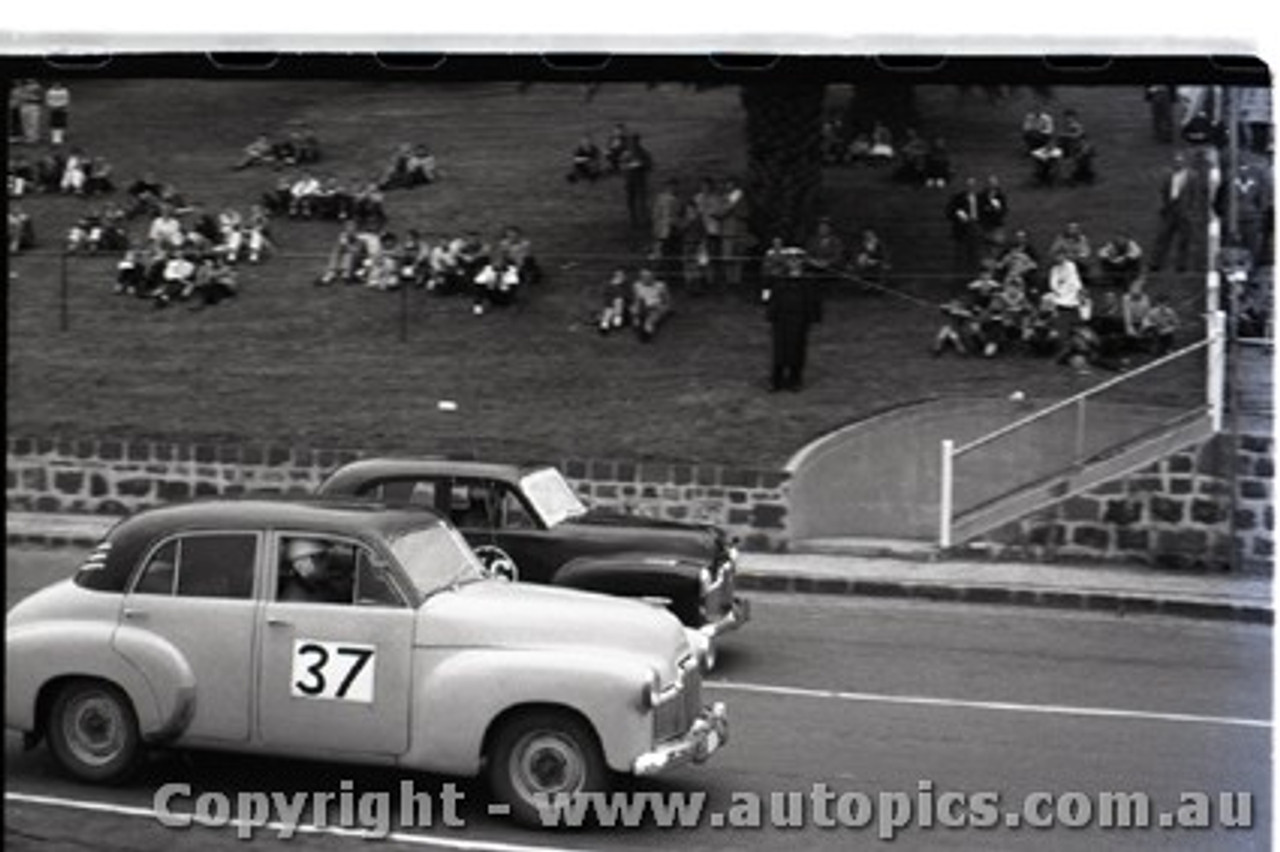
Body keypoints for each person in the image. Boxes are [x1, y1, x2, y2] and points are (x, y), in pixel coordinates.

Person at [767, 248, 821, 390]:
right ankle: (776, 381)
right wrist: (771, 315)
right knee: (779, 350)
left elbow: (814, 299)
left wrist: (813, 317)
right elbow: (772, 297)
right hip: (781, 318)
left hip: (799, 319)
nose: (794, 263)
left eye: (797, 259)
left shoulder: (808, 280)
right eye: (790, 260)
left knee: (797, 350)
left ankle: (795, 380)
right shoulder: (779, 278)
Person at [1150, 153, 1197, 273]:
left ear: (1185, 163)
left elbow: (1195, 195)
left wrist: (1191, 210)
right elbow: (1162, 191)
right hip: (1170, 209)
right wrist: (1162, 206)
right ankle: (1156, 263)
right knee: (1162, 237)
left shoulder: (1192, 176)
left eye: (1180, 161)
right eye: (1176, 161)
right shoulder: (1167, 174)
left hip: (1184, 211)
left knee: (1184, 239)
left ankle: (1181, 265)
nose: (1178, 164)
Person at [278, 539, 351, 604]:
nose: (327, 562)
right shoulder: (296, 599)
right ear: (302, 564)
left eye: (326, 556)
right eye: (321, 557)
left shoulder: (315, 585)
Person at [718, 177, 750, 291]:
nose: (728, 186)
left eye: (731, 184)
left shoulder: (739, 196)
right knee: (728, 258)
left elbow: (724, 211)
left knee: (737, 258)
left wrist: (719, 212)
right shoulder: (724, 198)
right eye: (727, 184)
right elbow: (721, 211)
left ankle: (736, 282)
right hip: (727, 232)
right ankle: (729, 281)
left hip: (738, 231)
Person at [946, 177, 983, 272]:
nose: (971, 187)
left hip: (976, 225)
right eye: (969, 185)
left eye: (973, 185)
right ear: (965, 186)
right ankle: (960, 274)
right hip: (962, 227)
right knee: (961, 252)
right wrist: (958, 213)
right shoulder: (958, 197)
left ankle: (974, 272)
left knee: (975, 251)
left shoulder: (980, 197)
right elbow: (949, 211)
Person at [620, 134, 653, 229]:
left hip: (639, 181)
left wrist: (641, 164)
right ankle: (633, 220)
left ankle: (644, 220)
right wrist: (628, 166)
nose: (633, 144)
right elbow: (621, 166)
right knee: (631, 202)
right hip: (630, 181)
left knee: (641, 201)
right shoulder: (626, 154)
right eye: (631, 143)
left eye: (634, 142)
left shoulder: (643, 153)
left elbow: (649, 165)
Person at [631, 268, 671, 341]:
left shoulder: (660, 285)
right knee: (638, 311)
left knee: (650, 320)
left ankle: (646, 333)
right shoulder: (637, 285)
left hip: (655, 307)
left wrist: (662, 307)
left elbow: (666, 301)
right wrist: (634, 308)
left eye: (648, 276)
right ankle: (638, 322)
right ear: (641, 277)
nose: (646, 278)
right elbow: (636, 299)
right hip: (642, 306)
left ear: (653, 276)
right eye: (644, 276)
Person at [598, 267, 630, 333]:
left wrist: (621, 298)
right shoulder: (609, 284)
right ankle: (604, 325)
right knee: (608, 311)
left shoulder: (625, 285)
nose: (620, 277)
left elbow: (627, 296)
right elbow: (606, 295)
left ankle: (615, 322)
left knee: (618, 301)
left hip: (622, 306)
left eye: (621, 276)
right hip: (610, 304)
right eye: (618, 275)